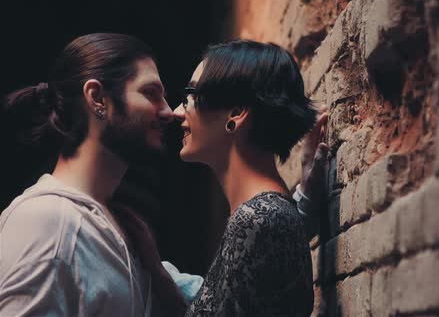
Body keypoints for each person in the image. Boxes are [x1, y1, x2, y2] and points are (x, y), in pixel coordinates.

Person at [0, 33, 327, 316]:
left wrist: (294, 210)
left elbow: (240, 287)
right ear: (98, 99)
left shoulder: (121, 229)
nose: (170, 111)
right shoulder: (46, 223)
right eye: (150, 93)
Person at [173, 40, 322, 316]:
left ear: (236, 113)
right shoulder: (265, 216)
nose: (177, 112)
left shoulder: (256, 220)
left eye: (189, 96)